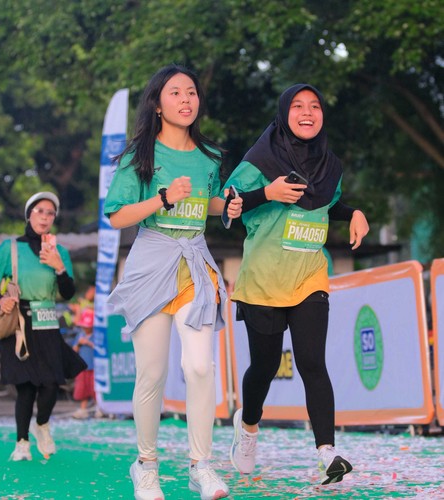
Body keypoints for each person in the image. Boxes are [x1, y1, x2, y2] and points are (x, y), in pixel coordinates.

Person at [104, 64, 242, 500]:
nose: (186, 99)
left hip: (194, 263)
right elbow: (117, 216)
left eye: (191, 92)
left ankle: (201, 466)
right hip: (150, 262)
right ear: (158, 105)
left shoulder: (210, 156)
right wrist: (162, 197)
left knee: (200, 367)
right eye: (176, 92)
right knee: (152, 374)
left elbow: (210, 201)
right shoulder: (139, 156)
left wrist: (226, 206)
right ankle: (145, 466)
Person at [225, 84, 369, 485]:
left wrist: (354, 212)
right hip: (264, 279)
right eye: (298, 106)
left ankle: (327, 452)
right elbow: (229, 204)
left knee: (312, 362)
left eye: (315, 106)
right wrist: (267, 192)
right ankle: (248, 426)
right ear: (284, 113)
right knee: (265, 366)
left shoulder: (329, 165)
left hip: (309, 275)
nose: (307, 112)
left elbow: (327, 202)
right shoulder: (259, 160)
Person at [0, 192, 86, 461]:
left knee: (51, 383)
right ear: (29, 215)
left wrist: (59, 267)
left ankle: (42, 424)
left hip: (48, 321)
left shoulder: (60, 252)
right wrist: (1, 300)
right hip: (19, 323)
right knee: (25, 387)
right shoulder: (10, 247)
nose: (45, 216)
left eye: (50, 213)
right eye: (40, 210)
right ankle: (22, 444)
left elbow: (68, 293)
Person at [72, 308, 96, 419]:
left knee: (94, 389)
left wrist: (88, 343)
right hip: (83, 367)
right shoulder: (80, 335)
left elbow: (100, 348)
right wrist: (79, 344)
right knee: (83, 389)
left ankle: (99, 408)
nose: (85, 328)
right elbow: (74, 350)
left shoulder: (96, 334)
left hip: (94, 367)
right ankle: (83, 409)